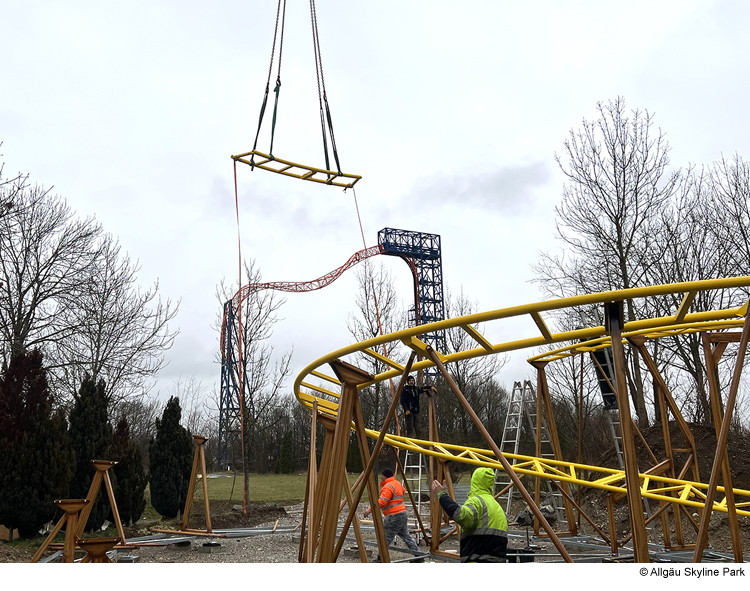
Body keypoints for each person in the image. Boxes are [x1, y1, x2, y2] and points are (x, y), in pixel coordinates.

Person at [431, 467, 508, 562]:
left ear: (475, 481)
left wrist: (442, 495)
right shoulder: (497, 507)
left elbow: (462, 516)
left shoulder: (477, 502)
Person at [363, 468, 422, 562]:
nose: (381, 477)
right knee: (406, 535)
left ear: (385, 476)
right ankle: (418, 555)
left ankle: (381, 558)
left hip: (393, 516)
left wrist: (369, 510)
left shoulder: (387, 487)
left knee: (385, 537)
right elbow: (403, 491)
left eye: (382, 476)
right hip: (402, 513)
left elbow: (382, 502)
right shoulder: (397, 483)